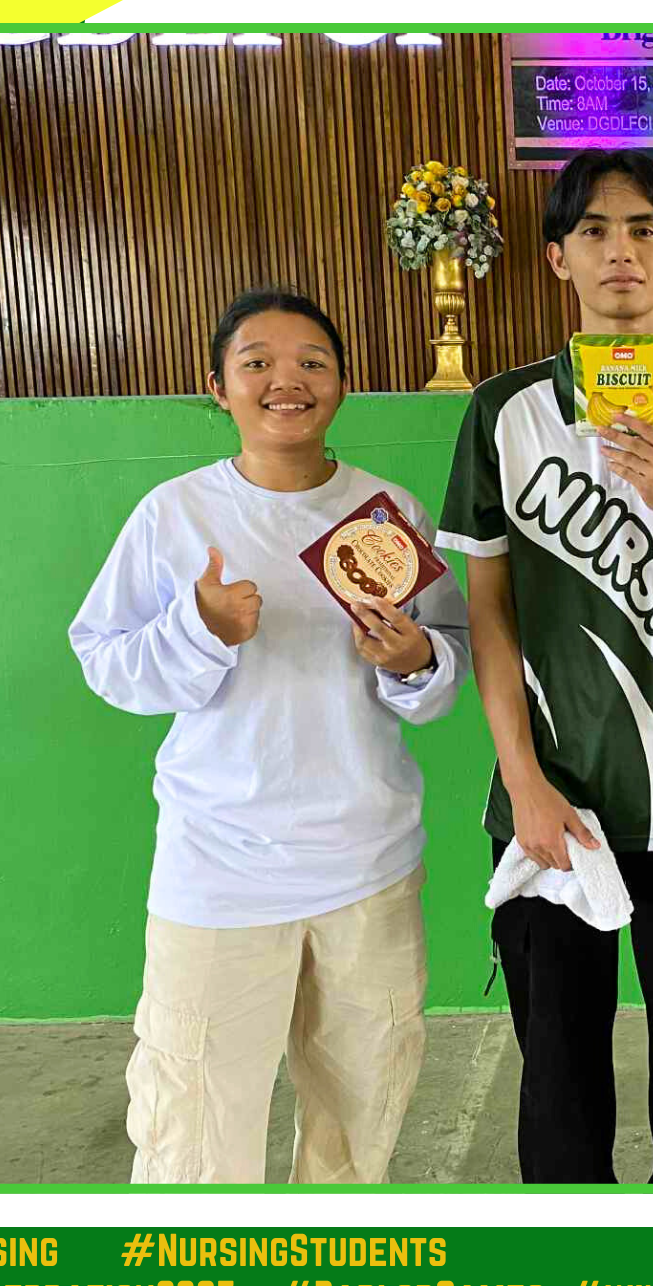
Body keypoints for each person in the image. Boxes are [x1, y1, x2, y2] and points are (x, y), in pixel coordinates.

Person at [70, 287, 471, 1184]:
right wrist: (198, 628)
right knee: (193, 1136)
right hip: (219, 868)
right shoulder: (174, 513)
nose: (286, 380)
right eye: (256, 362)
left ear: (341, 384)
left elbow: (445, 662)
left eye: (311, 362)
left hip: (367, 863)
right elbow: (105, 659)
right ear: (218, 387)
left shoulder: (388, 512)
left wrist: (412, 657)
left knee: (358, 1129)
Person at [436, 151, 653, 1183]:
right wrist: (524, 782)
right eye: (592, 230)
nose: (619, 251)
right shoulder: (503, 411)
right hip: (553, 798)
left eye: (642, 231)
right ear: (557, 259)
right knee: (560, 1096)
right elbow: (487, 611)